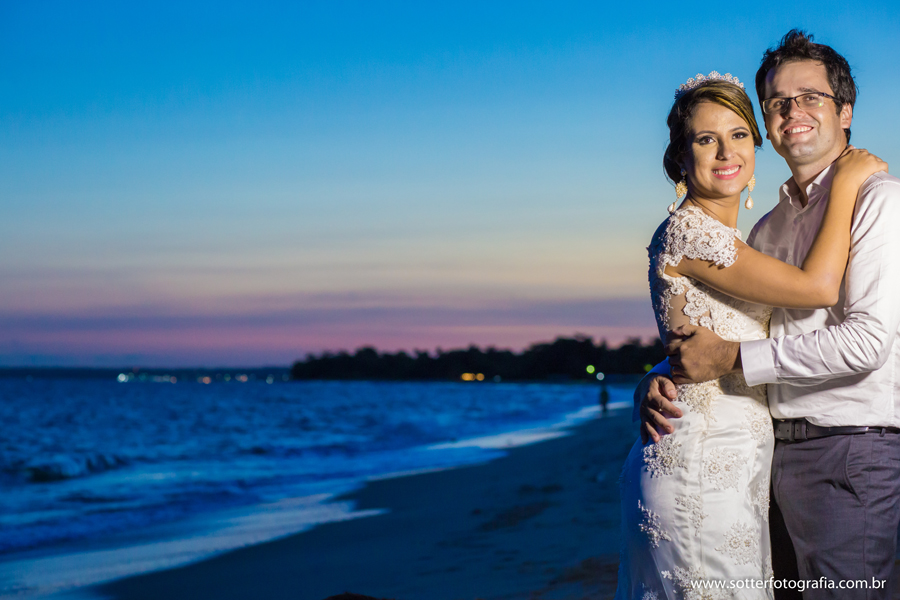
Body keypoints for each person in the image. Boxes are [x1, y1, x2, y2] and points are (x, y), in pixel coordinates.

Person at [636, 30, 900, 599]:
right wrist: (659, 377)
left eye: (811, 97)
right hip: (767, 454)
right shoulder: (765, 230)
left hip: (848, 451)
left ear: (845, 110)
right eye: (778, 102)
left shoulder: (880, 199)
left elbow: (867, 343)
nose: (793, 111)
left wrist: (724, 358)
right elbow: (723, 329)